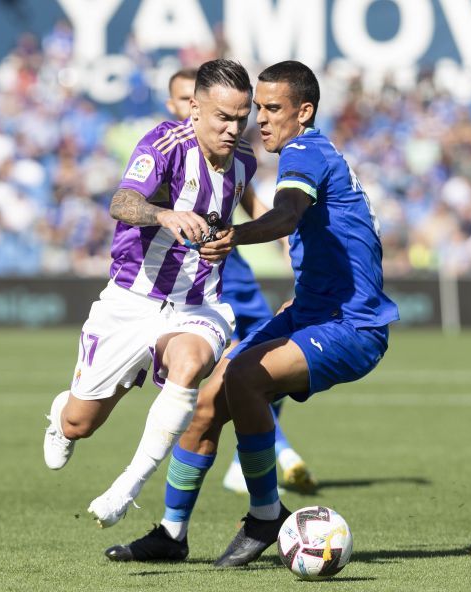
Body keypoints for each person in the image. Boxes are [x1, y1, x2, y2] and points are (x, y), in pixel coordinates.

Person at [104, 61, 399, 566]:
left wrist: (234, 235)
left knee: (243, 379)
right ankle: (172, 534)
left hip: (352, 325)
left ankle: (265, 514)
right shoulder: (310, 154)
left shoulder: (305, 150)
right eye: (256, 108)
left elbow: (285, 215)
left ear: (303, 112)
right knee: (209, 395)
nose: (259, 120)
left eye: (273, 108)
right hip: (314, 310)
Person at [41, 59, 257, 527]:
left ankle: (128, 486)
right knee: (82, 422)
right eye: (223, 117)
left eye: (243, 117)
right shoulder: (164, 144)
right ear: (195, 110)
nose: (234, 128)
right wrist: (165, 216)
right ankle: (62, 417)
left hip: (198, 304)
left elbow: (224, 219)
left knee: (191, 362)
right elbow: (122, 202)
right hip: (130, 301)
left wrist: (223, 241)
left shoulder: (245, 162)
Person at [166, 67, 318, 495]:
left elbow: (248, 197)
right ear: (182, 106)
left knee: (270, 359)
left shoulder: (233, 152)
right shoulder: (168, 153)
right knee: (240, 368)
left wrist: (282, 235)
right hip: (197, 277)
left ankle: (246, 460)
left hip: (236, 269)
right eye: (181, 102)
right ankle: (277, 453)